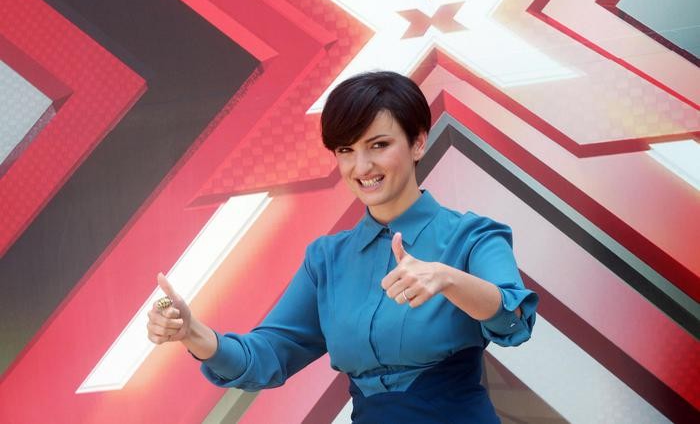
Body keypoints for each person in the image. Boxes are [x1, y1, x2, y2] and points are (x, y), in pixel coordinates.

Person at [147, 71, 538, 423]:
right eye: (346, 150)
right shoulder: (326, 260)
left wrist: (448, 279)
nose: (361, 167)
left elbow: (515, 320)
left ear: (418, 142)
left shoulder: (474, 237)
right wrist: (193, 332)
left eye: (378, 145)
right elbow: (267, 356)